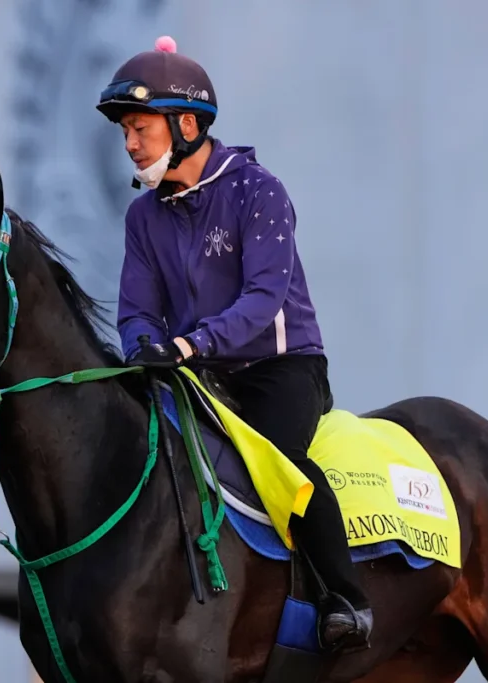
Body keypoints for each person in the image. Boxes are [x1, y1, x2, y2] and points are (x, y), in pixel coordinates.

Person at [95, 35, 374, 651]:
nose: (129, 144)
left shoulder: (258, 190)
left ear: (186, 125)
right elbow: (137, 311)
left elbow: (263, 300)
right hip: (196, 370)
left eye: (140, 128)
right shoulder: (143, 217)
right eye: (126, 133)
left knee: (279, 462)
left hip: (282, 368)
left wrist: (190, 346)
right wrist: (144, 347)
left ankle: (345, 600)